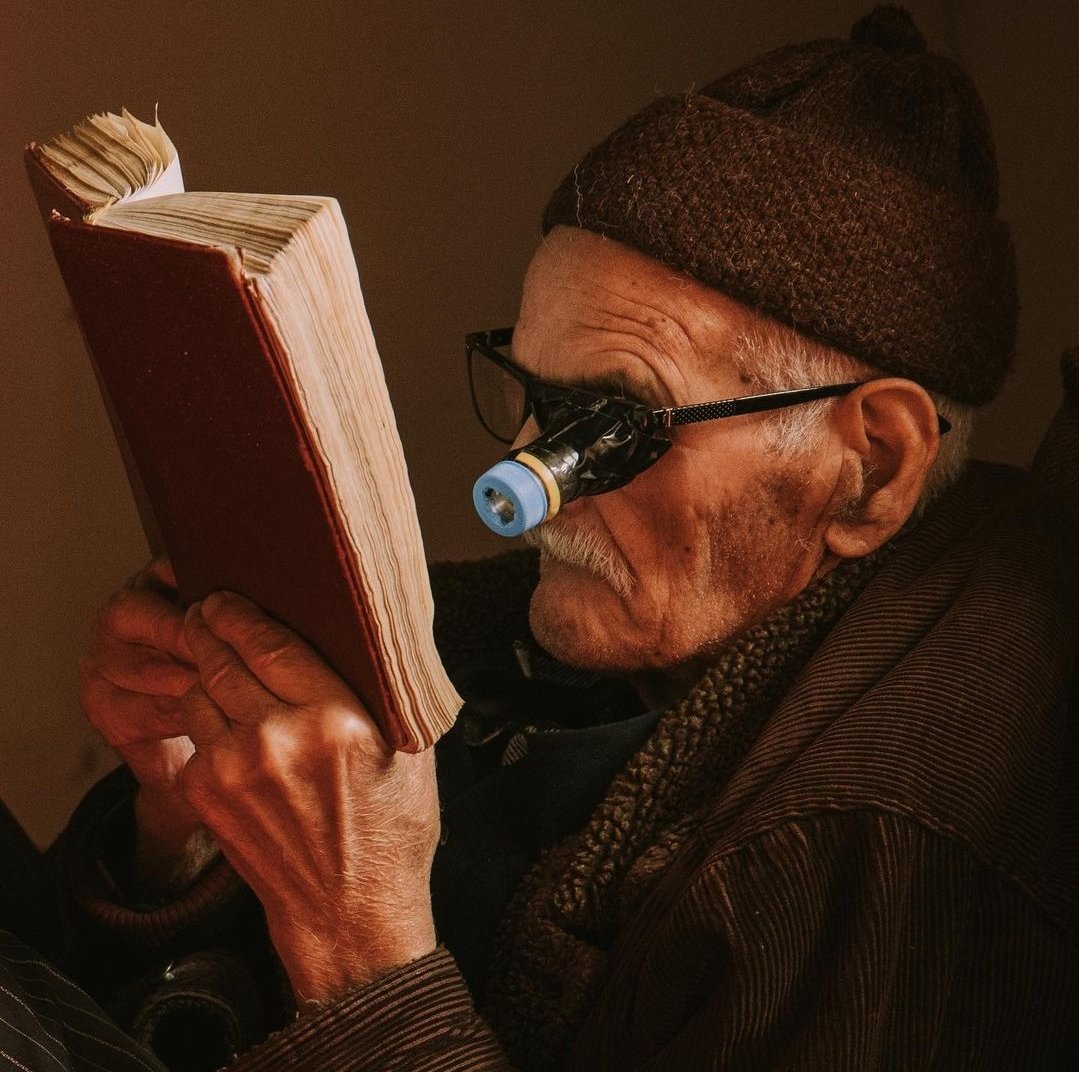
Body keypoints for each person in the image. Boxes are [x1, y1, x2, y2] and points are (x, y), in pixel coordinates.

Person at [48, 5, 1079, 1070]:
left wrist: (358, 945)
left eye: (611, 428)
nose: (523, 484)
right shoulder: (580, 643)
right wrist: (186, 823)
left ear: (869, 468)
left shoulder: (888, 854)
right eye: (533, 396)